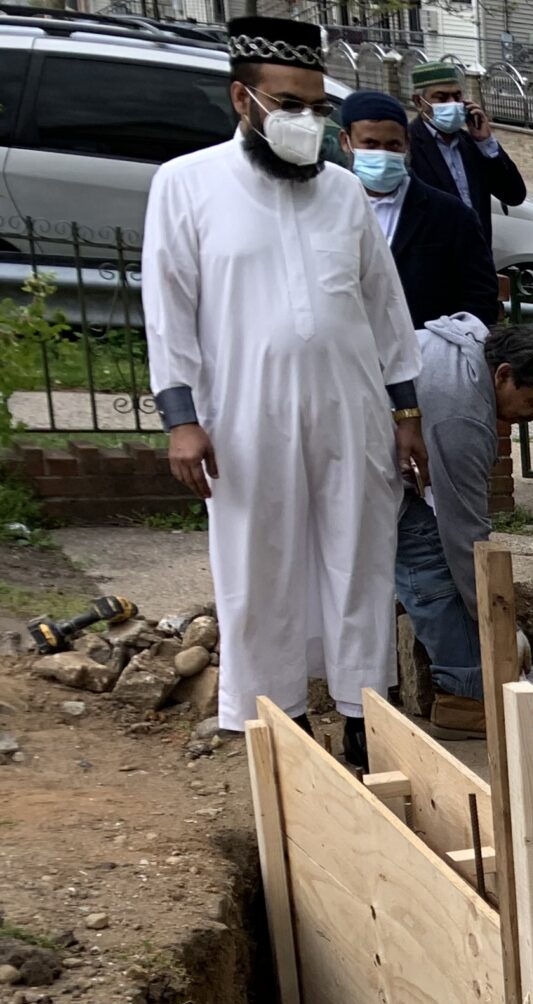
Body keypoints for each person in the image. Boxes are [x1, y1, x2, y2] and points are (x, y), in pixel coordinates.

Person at [144, 14, 428, 761]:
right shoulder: (186, 185)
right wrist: (181, 417)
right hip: (244, 416)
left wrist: (405, 413)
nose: (306, 121)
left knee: (359, 560)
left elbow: (384, 307)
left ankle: (366, 719)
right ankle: (284, 731)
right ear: (244, 100)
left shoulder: (341, 194)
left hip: (352, 409)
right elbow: (167, 307)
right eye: (288, 103)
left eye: (316, 106)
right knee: (258, 564)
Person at [402, 319, 533, 736]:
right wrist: (505, 627)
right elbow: (466, 539)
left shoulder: (466, 349)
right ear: (503, 374)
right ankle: (463, 699)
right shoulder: (462, 416)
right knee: (430, 559)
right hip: (339, 456)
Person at [338, 91, 501, 328]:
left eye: (393, 145)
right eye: (370, 144)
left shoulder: (450, 216)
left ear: (407, 143)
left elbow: (480, 300)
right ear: (346, 141)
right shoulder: (326, 208)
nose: (382, 154)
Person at [406, 61, 527, 239]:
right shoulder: (408, 146)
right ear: (419, 102)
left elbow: (514, 195)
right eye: (442, 97)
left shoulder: (471, 145)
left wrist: (486, 143)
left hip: (478, 259)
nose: (452, 103)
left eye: (457, 96)